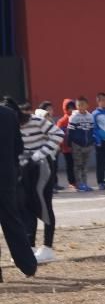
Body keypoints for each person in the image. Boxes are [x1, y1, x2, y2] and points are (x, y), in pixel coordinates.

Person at [15, 100, 61, 264]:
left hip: (42, 166)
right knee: (26, 206)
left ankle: (47, 247)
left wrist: (39, 154)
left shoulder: (37, 121)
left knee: (44, 204)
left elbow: (58, 134)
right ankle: (31, 246)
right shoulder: (12, 124)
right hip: (24, 168)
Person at [0, 101, 37, 281]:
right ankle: (28, 265)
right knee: (12, 219)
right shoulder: (8, 114)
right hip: (6, 175)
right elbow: (19, 147)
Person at [53, 99, 75, 191]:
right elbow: (58, 134)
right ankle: (72, 182)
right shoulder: (62, 121)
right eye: (69, 108)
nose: (71, 110)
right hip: (66, 148)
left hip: (76, 147)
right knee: (70, 165)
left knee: (77, 165)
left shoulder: (76, 118)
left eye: (72, 108)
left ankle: (79, 181)